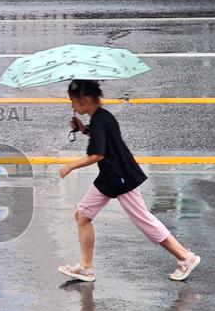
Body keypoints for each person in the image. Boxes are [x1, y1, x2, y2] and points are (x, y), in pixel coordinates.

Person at [57, 80, 201, 283]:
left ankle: (185, 258)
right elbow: (102, 139)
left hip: (120, 177)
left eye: (73, 102)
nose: (72, 106)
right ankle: (86, 268)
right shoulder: (102, 118)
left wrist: (70, 166)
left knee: (144, 220)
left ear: (85, 100)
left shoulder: (100, 120)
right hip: (110, 177)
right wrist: (83, 129)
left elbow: (97, 154)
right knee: (82, 215)